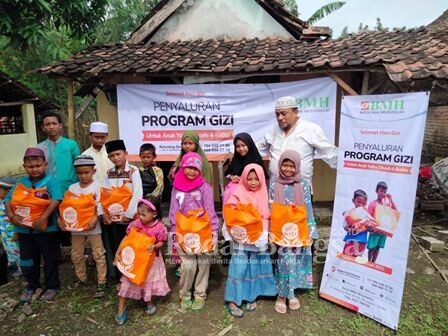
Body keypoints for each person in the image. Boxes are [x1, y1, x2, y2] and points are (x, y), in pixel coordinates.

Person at [4, 147, 63, 303]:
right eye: (30, 167)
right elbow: (8, 200)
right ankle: (32, 285)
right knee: (27, 260)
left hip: (47, 229)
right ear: (24, 166)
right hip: (24, 230)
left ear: (45, 164)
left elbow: (56, 199)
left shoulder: (51, 181)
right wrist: (12, 215)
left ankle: (52, 286)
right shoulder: (20, 182)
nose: (35, 169)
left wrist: (43, 217)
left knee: (50, 258)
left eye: (38, 166)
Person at [223, 163, 276, 318]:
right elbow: (229, 211)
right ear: (244, 179)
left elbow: (266, 215)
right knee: (238, 267)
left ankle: (251, 295)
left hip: (258, 237)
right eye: (249, 179)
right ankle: (232, 300)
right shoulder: (238, 192)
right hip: (241, 237)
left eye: (256, 179)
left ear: (261, 179)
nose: (253, 182)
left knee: (255, 266)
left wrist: (265, 233)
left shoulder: (263, 192)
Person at [268, 150, 317, 314]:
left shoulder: (303, 185)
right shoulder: (275, 185)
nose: (288, 169)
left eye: (291, 166)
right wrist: (270, 231)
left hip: (299, 231)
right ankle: (282, 296)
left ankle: (292, 293)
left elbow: (308, 208)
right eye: (285, 164)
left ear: (297, 167)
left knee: (296, 262)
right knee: (284, 262)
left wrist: (311, 231)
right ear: (280, 165)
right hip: (281, 232)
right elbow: (270, 208)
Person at [169, 152, 218, 311]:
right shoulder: (176, 188)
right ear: (182, 167)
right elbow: (173, 211)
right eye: (188, 167)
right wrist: (174, 233)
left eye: (195, 168)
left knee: (203, 264)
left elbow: (210, 210)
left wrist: (214, 232)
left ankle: (200, 294)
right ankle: (184, 294)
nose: (191, 171)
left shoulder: (205, 187)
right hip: (184, 233)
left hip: (203, 232)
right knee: (188, 266)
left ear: (200, 170)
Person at [256, 96, 337, 187]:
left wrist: (349, 169)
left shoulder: (310, 129)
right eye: (277, 114)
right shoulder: (273, 130)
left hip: (300, 189)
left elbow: (330, 153)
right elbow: (256, 150)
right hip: (275, 188)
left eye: (283, 113)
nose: (280, 117)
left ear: (296, 112)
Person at [57, 155, 108, 298]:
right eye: (80, 173)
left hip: (93, 228)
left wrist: (95, 218)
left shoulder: (98, 186)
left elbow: (101, 205)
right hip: (76, 229)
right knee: (76, 254)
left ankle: (102, 281)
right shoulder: (73, 187)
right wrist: (61, 219)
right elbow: (66, 206)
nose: (83, 176)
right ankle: (81, 278)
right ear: (76, 173)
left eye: (86, 172)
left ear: (94, 171)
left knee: (98, 254)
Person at [115, 197, 170, 325]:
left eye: (143, 214)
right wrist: (118, 253)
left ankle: (149, 303)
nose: (140, 216)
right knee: (127, 281)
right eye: (139, 213)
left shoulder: (160, 227)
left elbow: (161, 241)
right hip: (134, 261)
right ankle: (120, 309)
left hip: (151, 262)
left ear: (154, 214)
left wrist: (155, 246)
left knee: (147, 283)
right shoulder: (136, 224)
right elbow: (127, 239)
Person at [102, 140, 143, 280]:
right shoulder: (108, 173)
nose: (116, 158)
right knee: (116, 246)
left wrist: (130, 214)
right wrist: (105, 214)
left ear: (125, 153)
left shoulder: (133, 171)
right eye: (112, 155)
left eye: (118, 154)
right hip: (114, 219)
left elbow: (138, 193)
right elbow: (105, 194)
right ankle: (121, 277)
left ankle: (132, 275)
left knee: (129, 246)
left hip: (128, 219)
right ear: (108, 158)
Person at [37, 111, 80, 193]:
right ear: (43, 128)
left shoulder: (71, 144)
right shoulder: (39, 148)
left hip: (70, 187)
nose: (51, 127)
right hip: (47, 189)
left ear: (60, 126)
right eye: (47, 124)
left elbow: (78, 166)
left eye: (54, 123)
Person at [224, 133, 266, 203]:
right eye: (238, 146)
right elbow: (228, 173)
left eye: (243, 145)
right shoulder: (235, 160)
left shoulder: (256, 160)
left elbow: (261, 180)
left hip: (252, 196)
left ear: (249, 145)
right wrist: (232, 177)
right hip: (236, 195)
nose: (241, 149)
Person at [367, 182, 397, 263]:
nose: (383, 193)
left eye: (384, 191)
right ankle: (369, 262)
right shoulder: (373, 204)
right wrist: (370, 227)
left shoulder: (387, 204)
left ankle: (373, 262)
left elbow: (395, 211)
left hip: (383, 230)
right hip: (374, 230)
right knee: (371, 247)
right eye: (381, 191)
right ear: (376, 191)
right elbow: (368, 216)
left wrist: (391, 200)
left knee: (378, 247)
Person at [0, 176, 21, 279]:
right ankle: (12, 263)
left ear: (8, 191)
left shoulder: (12, 204)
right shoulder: (1, 202)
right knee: (8, 250)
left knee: (16, 251)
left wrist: (16, 232)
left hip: (12, 234)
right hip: (4, 234)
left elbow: (17, 220)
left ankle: (21, 269)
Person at [342, 189, 373, 258]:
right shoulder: (349, 213)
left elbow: (371, 230)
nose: (360, 205)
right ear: (353, 201)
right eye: (358, 202)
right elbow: (345, 226)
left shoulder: (367, 215)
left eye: (363, 203)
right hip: (351, 239)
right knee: (346, 257)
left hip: (362, 241)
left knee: (357, 260)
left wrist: (369, 227)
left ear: (366, 203)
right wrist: (350, 229)